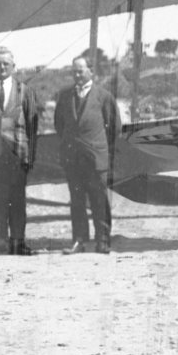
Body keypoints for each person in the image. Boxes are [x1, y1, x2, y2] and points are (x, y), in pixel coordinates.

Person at [0, 46, 39, 255]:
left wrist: (29, 155)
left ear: (13, 66)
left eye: (6, 64)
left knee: (18, 200)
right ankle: (1, 242)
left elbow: (32, 125)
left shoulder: (25, 91)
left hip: (17, 153)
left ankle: (18, 243)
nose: (2, 67)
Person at [54, 55, 119, 254]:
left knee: (99, 200)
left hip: (95, 158)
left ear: (91, 71)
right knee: (77, 201)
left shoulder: (104, 96)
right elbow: (59, 125)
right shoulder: (64, 97)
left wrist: (98, 148)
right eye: (74, 71)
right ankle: (79, 240)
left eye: (80, 71)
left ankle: (103, 240)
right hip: (73, 158)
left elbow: (114, 128)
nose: (77, 75)